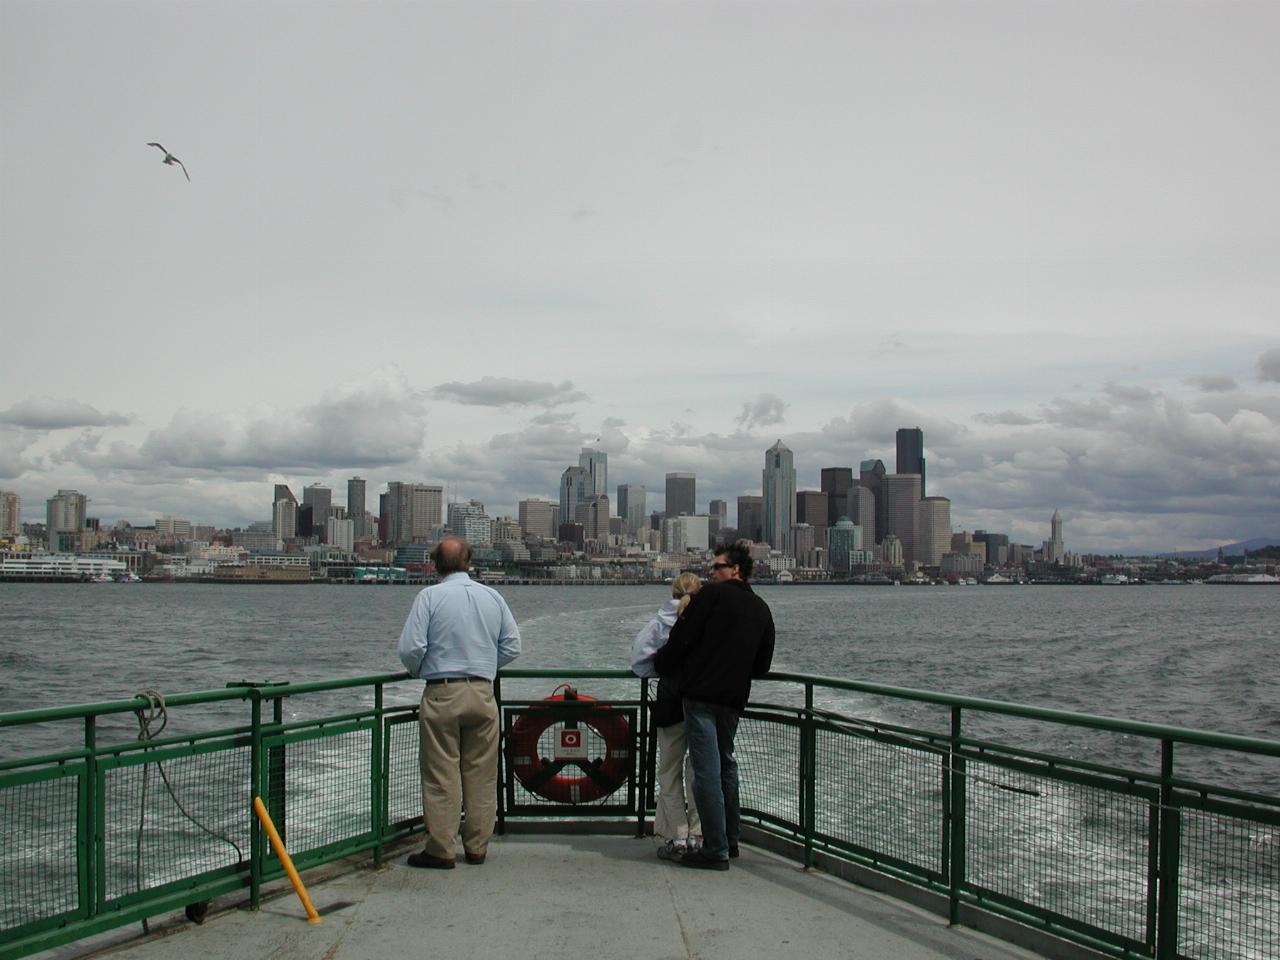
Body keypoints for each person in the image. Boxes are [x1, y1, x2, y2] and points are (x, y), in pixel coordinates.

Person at [397, 537, 521, 868]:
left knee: (442, 773)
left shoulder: (429, 597)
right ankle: (477, 847)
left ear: (436, 564)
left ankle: (441, 849)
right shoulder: (492, 596)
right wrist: (483, 665)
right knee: (481, 774)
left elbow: (411, 649)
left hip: (443, 691)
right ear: (469, 562)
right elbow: (512, 645)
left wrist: (422, 670)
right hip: (482, 693)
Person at [653, 541, 774, 870]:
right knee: (726, 767)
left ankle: (716, 850)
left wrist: (663, 664)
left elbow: (680, 641)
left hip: (702, 698)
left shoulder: (709, 597)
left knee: (705, 773)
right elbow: (762, 664)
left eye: (717, 566)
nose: (710, 572)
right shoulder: (761, 608)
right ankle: (731, 841)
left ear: (735, 569)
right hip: (733, 699)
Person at [630, 572, 703, 859]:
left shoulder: (659, 624)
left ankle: (677, 837)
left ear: (673, 593)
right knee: (698, 771)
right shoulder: (708, 624)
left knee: (669, 773)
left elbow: (638, 662)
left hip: (670, 702)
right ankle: (699, 834)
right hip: (701, 703)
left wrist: (661, 673)